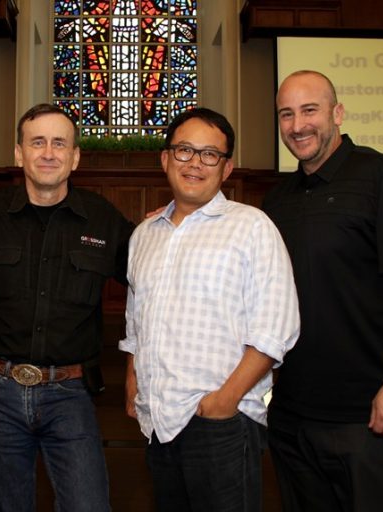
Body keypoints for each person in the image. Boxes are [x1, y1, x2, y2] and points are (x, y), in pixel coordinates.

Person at [263, 70, 383, 511]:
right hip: (291, 413)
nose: (298, 125)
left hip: (365, 412)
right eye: (286, 114)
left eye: (310, 110)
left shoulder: (382, 176)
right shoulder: (278, 199)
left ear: (337, 113)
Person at [0, 103, 134, 512]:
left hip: (69, 394)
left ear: (75, 157)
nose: (48, 153)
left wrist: (170, 223)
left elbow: (151, 277)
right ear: (19, 153)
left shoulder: (103, 220)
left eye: (59, 143)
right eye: (37, 143)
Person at [120, 107, 300, 511]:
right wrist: (133, 381)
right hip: (158, 422)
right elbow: (136, 322)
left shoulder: (252, 227)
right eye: (184, 150)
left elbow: (277, 327)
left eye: (209, 154)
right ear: (165, 159)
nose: (195, 163)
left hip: (222, 423)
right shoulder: (144, 235)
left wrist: (224, 401)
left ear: (226, 167)